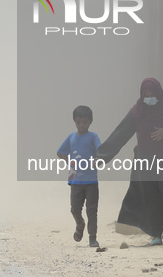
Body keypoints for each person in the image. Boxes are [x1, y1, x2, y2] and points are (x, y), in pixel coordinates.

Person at [96, 78, 163, 246]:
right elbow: (120, 134)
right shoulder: (137, 112)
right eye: (146, 95)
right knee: (150, 196)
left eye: (153, 95)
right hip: (146, 160)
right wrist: (102, 157)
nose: (150, 98)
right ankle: (155, 234)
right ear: (142, 95)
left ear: (159, 94)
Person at [57, 105, 102, 248]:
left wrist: (98, 160)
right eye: (78, 122)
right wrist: (69, 162)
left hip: (91, 181)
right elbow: (60, 152)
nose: (82, 125)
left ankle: (92, 238)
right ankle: (80, 224)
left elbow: (100, 152)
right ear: (75, 122)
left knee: (92, 210)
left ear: (90, 122)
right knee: (75, 209)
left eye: (85, 122)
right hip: (76, 181)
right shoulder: (71, 137)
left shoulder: (93, 136)